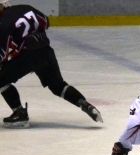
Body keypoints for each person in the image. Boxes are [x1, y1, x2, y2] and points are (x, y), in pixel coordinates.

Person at [0, 0, 102, 128]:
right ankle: (85, 104)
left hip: (28, 56)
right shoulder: (26, 7)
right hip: (46, 51)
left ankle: (19, 113)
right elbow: (46, 22)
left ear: (3, 6)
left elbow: (1, 53)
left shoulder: (3, 23)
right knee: (58, 86)